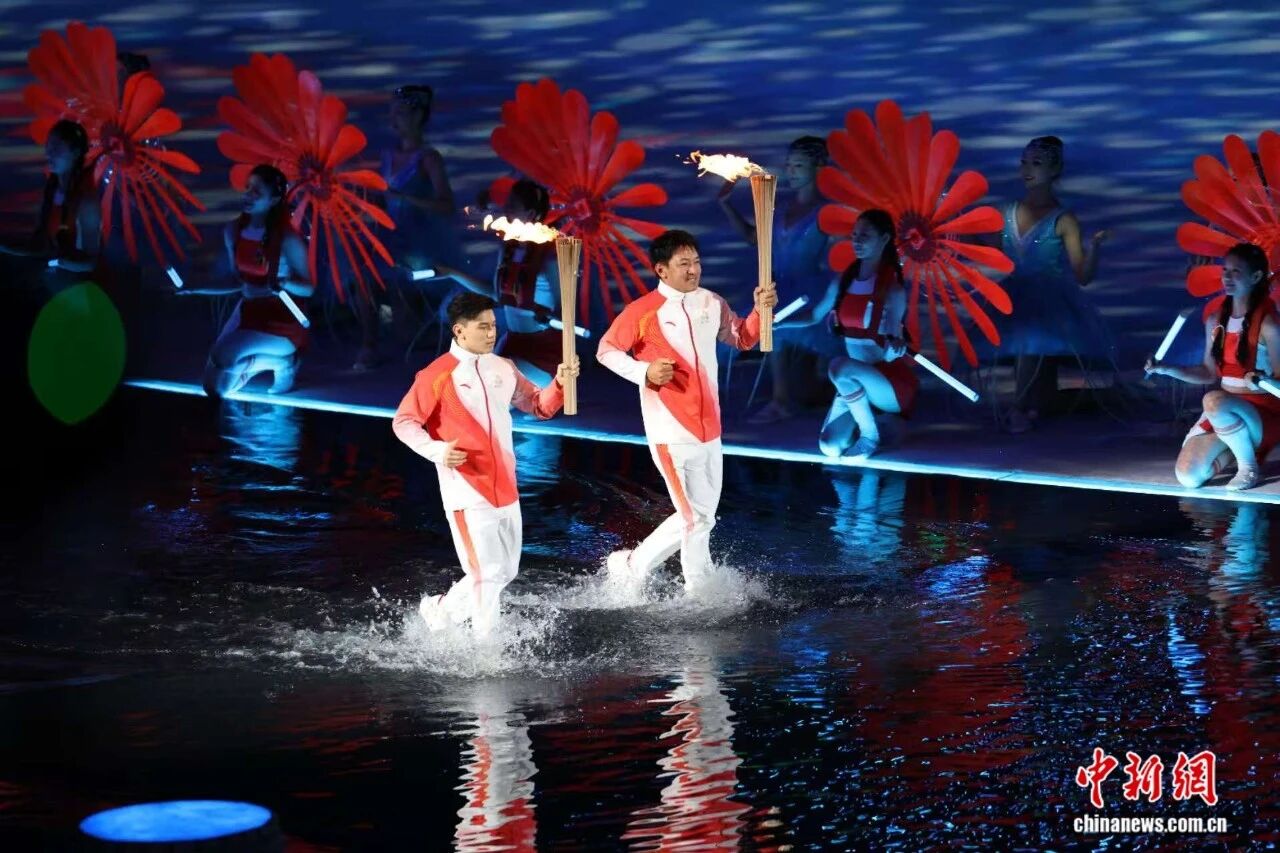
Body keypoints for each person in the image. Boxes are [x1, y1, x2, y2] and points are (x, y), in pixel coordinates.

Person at [596, 229, 777, 594]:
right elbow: (606, 350)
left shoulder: (712, 302)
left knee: (702, 517)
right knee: (694, 517)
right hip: (670, 428)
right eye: (684, 264)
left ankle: (633, 565)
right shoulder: (643, 311)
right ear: (661, 270)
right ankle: (699, 589)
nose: (693, 269)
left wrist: (761, 309)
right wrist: (644, 372)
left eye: (696, 262)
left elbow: (742, 338)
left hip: (710, 426)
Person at [392, 292, 579, 638]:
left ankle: (441, 609)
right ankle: (485, 650)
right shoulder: (436, 375)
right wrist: (436, 450)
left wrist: (560, 384)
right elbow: (404, 422)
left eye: (494, 325)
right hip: (466, 488)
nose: (492, 333)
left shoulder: (503, 368)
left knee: (504, 571)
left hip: (506, 486)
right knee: (486, 574)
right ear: (460, 331)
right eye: (483, 327)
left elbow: (539, 406)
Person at [979, 136, 1112, 433]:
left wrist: (1094, 247)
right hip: (1014, 296)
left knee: (1035, 349)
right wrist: (970, 235)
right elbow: (994, 258)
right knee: (1031, 359)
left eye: (1036, 163)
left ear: (1055, 169)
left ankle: (1022, 407)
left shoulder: (1063, 219)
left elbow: (1082, 276)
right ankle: (1026, 406)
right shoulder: (1006, 212)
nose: (1027, 169)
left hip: (1050, 301)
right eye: (1024, 162)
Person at [718, 136, 834, 423]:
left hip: (808, 291)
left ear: (818, 168)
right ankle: (784, 397)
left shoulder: (826, 212)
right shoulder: (781, 208)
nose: (791, 171)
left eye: (799, 165)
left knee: (780, 330)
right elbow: (753, 238)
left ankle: (785, 399)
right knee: (765, 323)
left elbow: (839, 255)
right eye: (789, 165)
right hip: (779, 287)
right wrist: (726, 204)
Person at [1147, 242, 1280, 491]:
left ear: (1256, 277)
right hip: (1224, 411)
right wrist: (1166, 369)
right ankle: (1236, 447)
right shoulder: (1215, 320)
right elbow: (1208, 373)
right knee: (1189, 476)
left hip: (1263, 415)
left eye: (1236, 272)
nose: (1227, 277)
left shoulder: (1270, 325)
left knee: (1213, 400)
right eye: (1225, 270)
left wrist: (1263, 380)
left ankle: (1248, 467)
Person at [352, 84, 459, 371]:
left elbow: (447, 205)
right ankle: (368, 344)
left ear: (417, 116)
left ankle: (431, 332)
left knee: (405, 330)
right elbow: (382, 198)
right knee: (364, 276)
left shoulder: (429, 158)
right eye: (392, 113)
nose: (393, 119)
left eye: (399, 113)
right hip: (389, 239)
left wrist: (406, 199)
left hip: (418, 245)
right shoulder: (388, 155)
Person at [195, 164, 313, 398]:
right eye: (248, 188)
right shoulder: (233, 231)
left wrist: (285, 282)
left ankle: (285, 362)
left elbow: (309, 288)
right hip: (248, 311)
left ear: (274, 199)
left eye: (256, 191)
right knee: (215, 388)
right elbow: (236, 280)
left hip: (282, 321)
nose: (248, 195)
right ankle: (278, 362)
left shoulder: (287, 238)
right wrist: (196, 288)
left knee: (222, 356)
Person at [816, 209, 917, 460]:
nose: (857, 241)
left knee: (838, 367)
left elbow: (890, 348)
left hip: (888, 383)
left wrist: (896, 347)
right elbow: (814, 315)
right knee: (830, 447)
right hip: (853, 380)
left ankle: (869, 436)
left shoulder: (892, 289)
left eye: (865, 235)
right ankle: (874, 421)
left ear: (884, 239)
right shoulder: (844, 282)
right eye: (854, 235)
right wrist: (775, 324)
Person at [452, 179, 562, 387]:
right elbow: (495, 294)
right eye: (507, 204)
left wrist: (548, 315)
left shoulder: (550, 254)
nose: (506, 210)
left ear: (530, 214)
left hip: (542, 350)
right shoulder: (508, 249)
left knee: (487, 387)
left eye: (513, 206)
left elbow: (564, 307)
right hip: (512, 343)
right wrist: (452, 273)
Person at [0, 119, 100, 282]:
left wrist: (56, 262)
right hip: (48, 278)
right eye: (48, 147)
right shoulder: (51, 190)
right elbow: (40, 245)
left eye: (57, 148)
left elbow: (90, 263)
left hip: (74, 286)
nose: (49, 154)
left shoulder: (85, 202)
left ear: (75, 153)